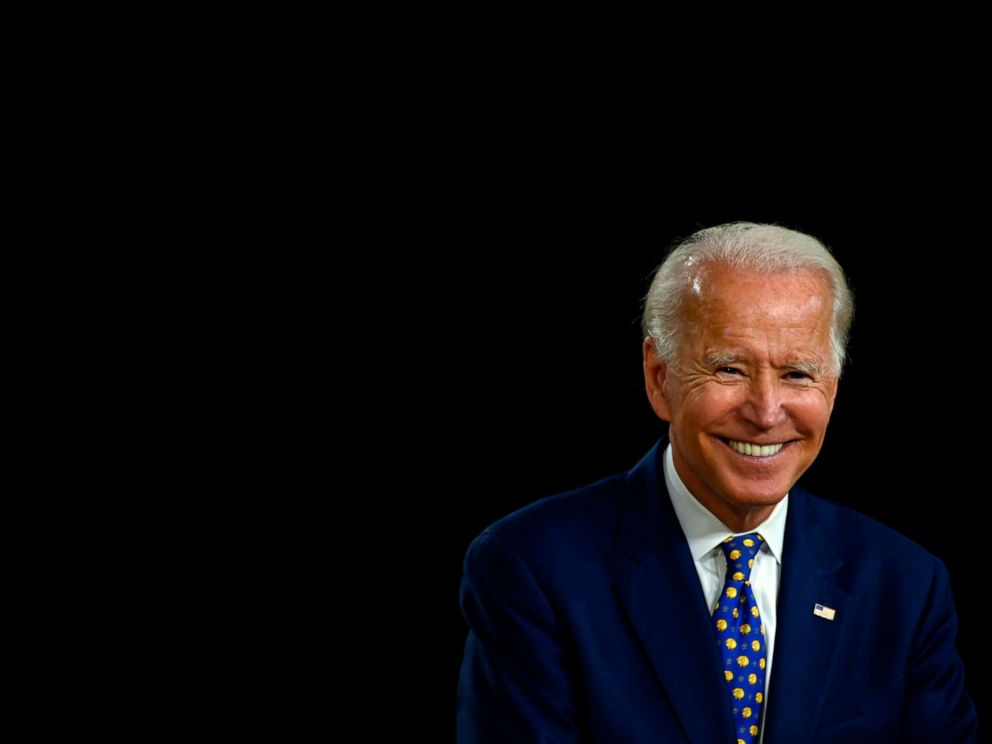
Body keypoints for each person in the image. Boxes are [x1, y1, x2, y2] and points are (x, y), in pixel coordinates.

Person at [456, 223, 977, 743]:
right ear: (660, 379)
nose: (767, 412)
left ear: (832, 391)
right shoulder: (533, 568)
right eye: (729, 369)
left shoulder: (904, 585)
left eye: (797, 373)